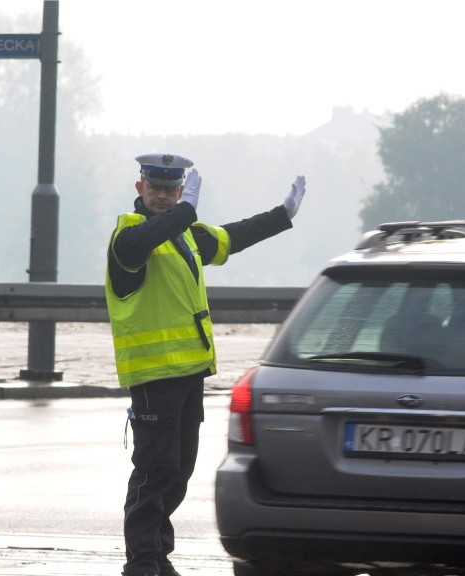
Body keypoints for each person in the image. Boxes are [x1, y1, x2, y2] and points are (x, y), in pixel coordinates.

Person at [104, 153, 307, 576]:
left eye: (171, 189)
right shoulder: (129, 232)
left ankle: (158, 555)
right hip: (153, 376)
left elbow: (233, 236)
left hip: (189, 374)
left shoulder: (188, 234)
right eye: (155, 188)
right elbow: (141, 246)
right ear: (140, 190)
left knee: (178, 472)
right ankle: (141, 563)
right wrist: (184, 212)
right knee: (153, 472)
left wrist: (281, 215)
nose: (162, 196)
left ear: (180, 189)